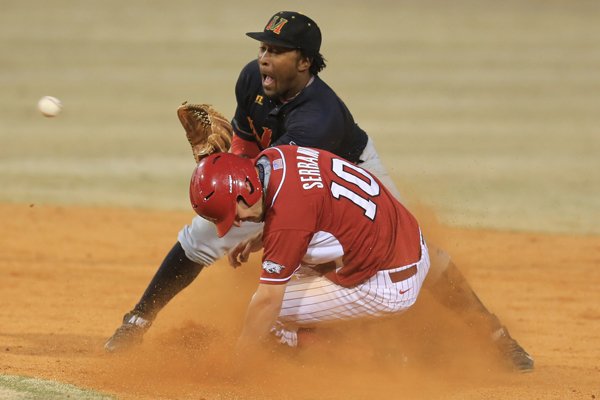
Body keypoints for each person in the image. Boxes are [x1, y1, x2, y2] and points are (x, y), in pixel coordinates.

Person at [104, 11, 533, 372]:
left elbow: (281, 190)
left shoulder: (319, 117)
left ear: (305, 61)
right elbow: (249, 150)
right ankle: (138, 320)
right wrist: (225, 163)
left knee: (415, 246)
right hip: (283, 176)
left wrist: (214, 171)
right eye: (262, 49)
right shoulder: (252, 79)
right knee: (204, 235)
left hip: (349, 170)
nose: (264, 59)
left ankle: (493, 335)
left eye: (276, 51)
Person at [189, 148, 431, 353]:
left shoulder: (288, 219)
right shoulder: (275, 157)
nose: (237, 223)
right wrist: (265, 237)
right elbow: (312, 204)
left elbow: (268, 303)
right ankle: (345, 334)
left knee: (268, 313)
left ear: (247, 189)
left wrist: (236, 368)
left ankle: (340, 357)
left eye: (233, 214)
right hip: (408, 240)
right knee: (291, 272)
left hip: (388, 285)